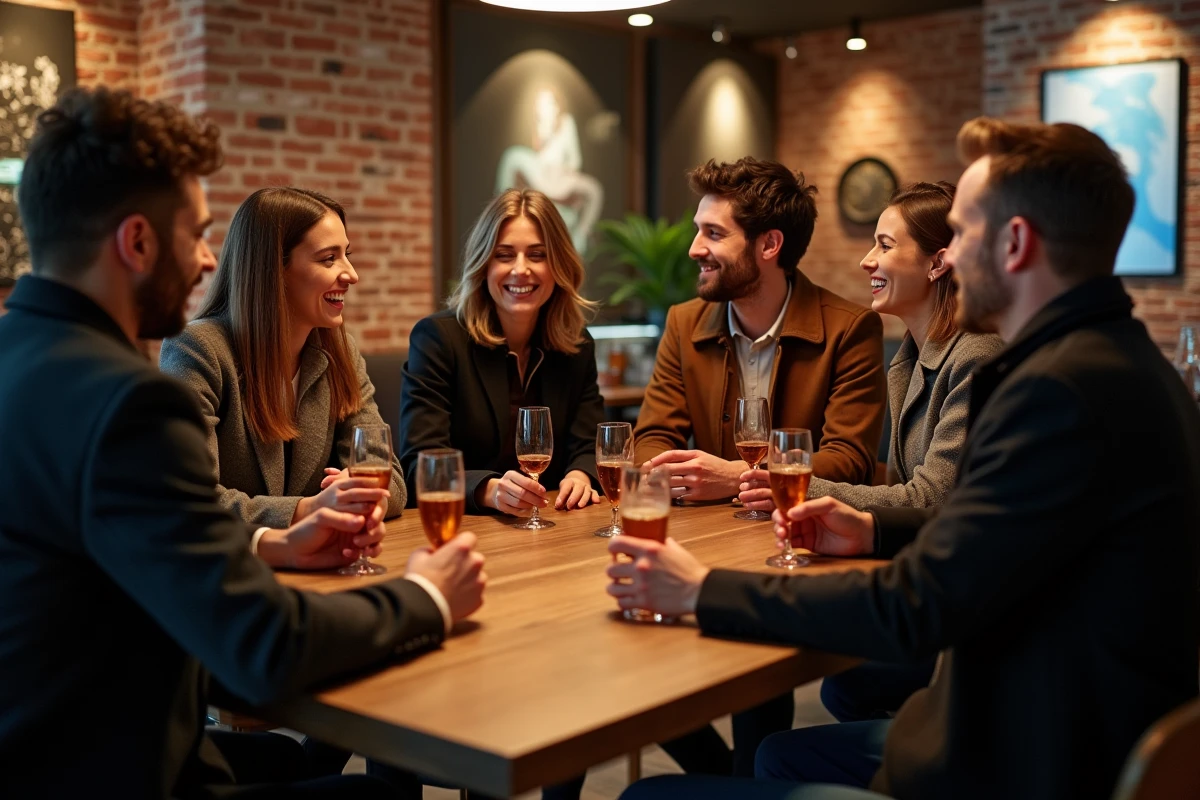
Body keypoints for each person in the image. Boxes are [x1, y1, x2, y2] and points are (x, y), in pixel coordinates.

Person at [607, 117, 1200, 800]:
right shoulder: (1124, 365)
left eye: (964, 230)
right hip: (1058, 737)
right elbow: (970, 554)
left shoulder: (1057, 393)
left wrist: (701, 590)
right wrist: (874, 527)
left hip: (1018, 766)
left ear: (1015, 243)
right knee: (777, 758)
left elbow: (918, 604)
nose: (949, 254)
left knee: (646, 797)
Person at [0, 86, 487, 798]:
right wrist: (426, 595)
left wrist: (269, 544)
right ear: (136, 242)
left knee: (307, 763)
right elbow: (266, 647)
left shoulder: (21, 359)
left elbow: (125, 548)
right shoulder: (131, 402)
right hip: (116, 769)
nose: (206, 259)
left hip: (42, 753)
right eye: (195, 233)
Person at [632, 157, 886, 777]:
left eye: (714, 234)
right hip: (703, 541)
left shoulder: (850, 329)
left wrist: (736, 478)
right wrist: (685, 475)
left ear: (769, 245)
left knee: (755, 684)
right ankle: (732, 780)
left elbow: (847, 459)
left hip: (792, 550)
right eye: (699, 230)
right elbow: (650, 439)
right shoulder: (683, 322)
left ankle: (744, 779)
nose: (695, 248)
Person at [736, 182, 1003, 724]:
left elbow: (932, 496)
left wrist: (801, 484)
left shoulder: (976, 353)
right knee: (843, 688)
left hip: (959, 618)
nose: (866, 260)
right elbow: (898, 482)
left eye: (884, 245)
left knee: (837, 691)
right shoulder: (911, 353)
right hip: (923, 586)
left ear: (937, 264)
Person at [161, 187, 405, 534]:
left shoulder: (342, 352)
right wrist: (309, 509)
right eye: (328, 259)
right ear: (274, 270)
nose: (351, 274)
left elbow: (391, 479)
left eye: (346, 255)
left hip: (325, 567)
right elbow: (188, 499)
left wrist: (364, 495)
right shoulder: (197, 350)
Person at [400, 188, 604, 519]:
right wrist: (489, 490)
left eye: (537, 255)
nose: (520, 269)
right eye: (504, 255)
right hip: (466, 527)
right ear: (483, 264)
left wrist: (580, 475)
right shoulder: (437, 339)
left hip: (556, 525)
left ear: (559, 265)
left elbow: (588, 443)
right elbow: (421, 462)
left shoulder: (577, 343)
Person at [495, 87, 604, 254]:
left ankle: (582, 235)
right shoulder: (540, 127)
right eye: (541, 104)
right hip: (542, 174)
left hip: (562, 176)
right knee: (512, 156)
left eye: (548, 103)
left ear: (556, 105)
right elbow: (540, 156)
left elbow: (575, 159)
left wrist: (563, 172)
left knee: (594, 189)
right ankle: (502, 212)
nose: (544, 107)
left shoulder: (566, 122)